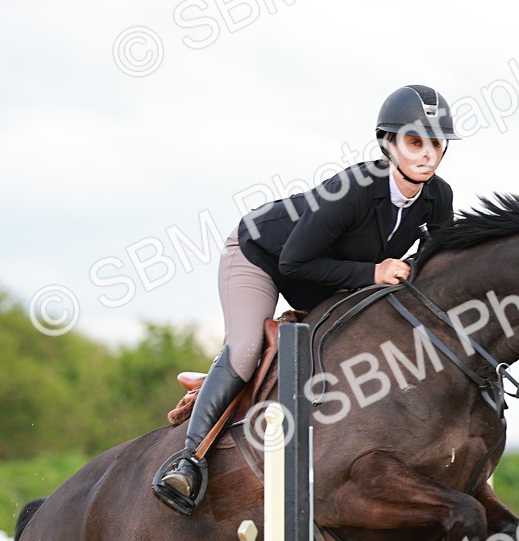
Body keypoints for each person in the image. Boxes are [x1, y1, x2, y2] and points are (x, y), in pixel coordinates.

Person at [153, 84, 460, 514]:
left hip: (328, 280)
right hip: (262, 255)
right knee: (245, 350)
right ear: (389, 144)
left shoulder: (437, 198)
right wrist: (374, 272)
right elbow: (296, 262)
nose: (426, 154)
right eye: (414, 142)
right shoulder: (354, 188)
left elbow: (435, 266)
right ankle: (188, 461)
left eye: (435, 143)